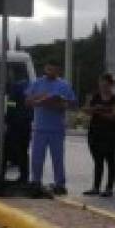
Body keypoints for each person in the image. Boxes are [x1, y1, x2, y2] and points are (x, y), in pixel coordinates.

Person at [26, 61, 76, 195]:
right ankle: (36, 182)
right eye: (48, 69)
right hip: (40, 128)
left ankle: (60, 184)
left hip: (57, 128)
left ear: (58, 70)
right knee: (37, 158)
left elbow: (72, 103)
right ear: (45, 69)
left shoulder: (64, 85)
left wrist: (61, 104)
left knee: (58, 158)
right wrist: (41, 99)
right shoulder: (37, 83)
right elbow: (27, 101)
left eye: (53, 70)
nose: (50, 72)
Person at [81, 73, 115, 197]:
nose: (103, 87)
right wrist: (98, 109)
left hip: (110, 133)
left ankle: (109, 187)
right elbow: (86, 110)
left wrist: (99, 110)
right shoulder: (95, 96)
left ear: (111, 85)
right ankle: (96, 187)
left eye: (106, 84)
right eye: (101, 84)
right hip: (95, 132)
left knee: (110, 159)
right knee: (97, 160)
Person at [4, 76, 32, 183]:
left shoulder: (16, 87)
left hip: (15, 124)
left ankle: (1, 174)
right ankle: (24, 176)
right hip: (26, 123)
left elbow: (11, 104)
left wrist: (7, 118)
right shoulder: (30, 86)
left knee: (6, 151)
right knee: (23, 151)